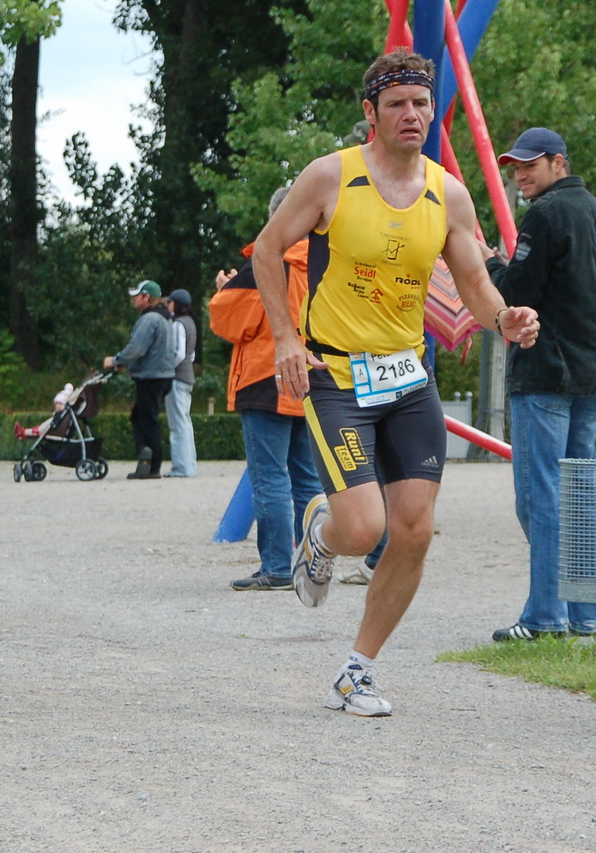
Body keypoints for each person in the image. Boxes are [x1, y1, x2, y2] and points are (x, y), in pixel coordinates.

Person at [254, 48, 540, 717]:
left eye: (421, 103)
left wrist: (504, 316)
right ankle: (322, 532)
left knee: (412, 530)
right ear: (370, 114)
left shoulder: (448, 192)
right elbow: (269, 249)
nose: (411, 115)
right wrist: (287, 339)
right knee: (364, 525)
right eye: (397, 105)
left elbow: (472, 279)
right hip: (337, 376)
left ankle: (358, 670)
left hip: (409, 377)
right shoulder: (330, 178)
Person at [481, 127, 596, 642]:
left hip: (547, 374)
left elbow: (516, 293)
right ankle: (586, 615)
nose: (520, 174)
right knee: (579, 497)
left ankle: (544, 617)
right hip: (593, 371)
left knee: (540, 497)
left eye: (530, 165)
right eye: (515, 166)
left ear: (558, 163)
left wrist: (493, 263)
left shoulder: (545, 214)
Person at [209, 184, 321, 591]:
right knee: (306, 478)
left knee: (270, 477)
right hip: (310, 376)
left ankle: (275, 566)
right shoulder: (324, 260)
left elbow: (229, 320)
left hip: (266, 375)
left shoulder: (267, 261)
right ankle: (310, 562)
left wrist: (226, 289)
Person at [103, 280, 174, 480]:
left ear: (146, 297)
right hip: (165, 375)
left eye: (137, 295)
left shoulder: (149, 319)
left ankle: (150, 465)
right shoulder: (166, 318)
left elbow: (137, 348)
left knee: (147, 420)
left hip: (150, 377)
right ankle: (148, 457)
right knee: (141, 417)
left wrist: (116, 360)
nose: (134, 299)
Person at [162, 288, 198, 478]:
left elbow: (180, 353)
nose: (168, 305)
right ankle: (189, 464)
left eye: (170, 302)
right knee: (185, 422)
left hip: (177, 378)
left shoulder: (177, 324)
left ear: (176, 304)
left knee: (177, 424)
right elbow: (190, 355)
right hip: (188, 376)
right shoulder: (191, 323)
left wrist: (168, 369)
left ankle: (181, 467)